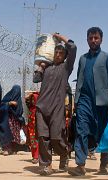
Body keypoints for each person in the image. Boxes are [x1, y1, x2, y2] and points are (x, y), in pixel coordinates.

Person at [68, 27, 108, 176]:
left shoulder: (107, 57)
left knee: (103, 133)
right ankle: (80, 165)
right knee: (81, 130)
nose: (93, 40)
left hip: (103, 103)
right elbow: (79, 82)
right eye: (90, 38)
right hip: (84, 101)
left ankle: (104, 165)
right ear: (87, 40)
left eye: (96, 38)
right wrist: (76, 102)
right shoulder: (83, 59)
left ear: (101, 39)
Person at [33, 33, 77, 175]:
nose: (58, 55)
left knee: (56, 137)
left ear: (65, 56)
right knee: (43, 137)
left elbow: (73, 47)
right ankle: (46, 165)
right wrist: (41, 65)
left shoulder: (66, 68)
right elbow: (35, 78)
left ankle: (64, 154)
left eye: (61, 53)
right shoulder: (46, 68)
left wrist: (60, 37)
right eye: (56, 52)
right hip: (41, 107)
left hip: (56, 108)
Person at [0, 85, 25, 156]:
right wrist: (9, 104)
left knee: (15, 135)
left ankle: (13, 149)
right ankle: (6, 149)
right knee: (6, 133)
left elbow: (20, 111)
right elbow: (0, 106)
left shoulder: (19, 100)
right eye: (15, 91)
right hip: (6, 119)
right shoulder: (7, 98)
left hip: (15, 121)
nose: (16, 93)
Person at [25, 91, 39, 164]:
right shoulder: (30, 108)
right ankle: (34, 156)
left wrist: (36, 93)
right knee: (33, 143)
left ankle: (36, 157)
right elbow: (26, 100)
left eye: (34, 99)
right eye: (32, 100)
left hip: (37, 129)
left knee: (37, 143)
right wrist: (31, 94)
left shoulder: (39, 109)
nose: (33, 101)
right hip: (31, 129)